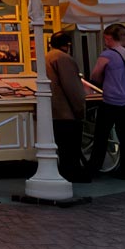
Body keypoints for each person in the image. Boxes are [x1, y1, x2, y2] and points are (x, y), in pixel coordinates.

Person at [87, 23, 125, 179]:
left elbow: (95, 75)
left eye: (105, 38)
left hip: (111, 100)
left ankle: (94, 167)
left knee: (101, 135)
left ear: (109, 37)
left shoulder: (107, 55)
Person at [44, 31, 88, 183]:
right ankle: (73, 174)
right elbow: (72, 87)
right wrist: (80, 107)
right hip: (66, 110)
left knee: (62, 147)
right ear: (67, 44)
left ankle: (66, 172)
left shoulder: (47, 56)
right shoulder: (63, 58)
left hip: (54, 109)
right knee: (71, 147)